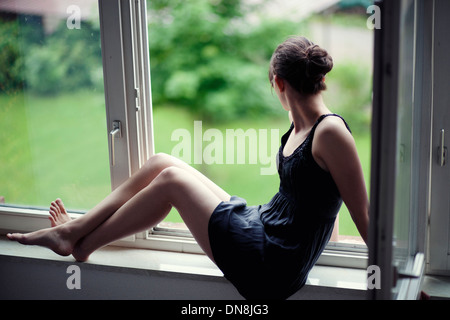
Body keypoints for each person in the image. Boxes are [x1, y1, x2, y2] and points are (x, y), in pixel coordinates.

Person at [7, 36, 369, 300]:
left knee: (171, 181)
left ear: (279, 83)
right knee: (162, 162)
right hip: (266, 229)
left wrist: (393, 279)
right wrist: (329, 242)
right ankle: (77, 234)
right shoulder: (299, 122)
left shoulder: (331, 131)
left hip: (270, 265)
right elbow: (320, 193)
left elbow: (363, 214)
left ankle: (78, 239)